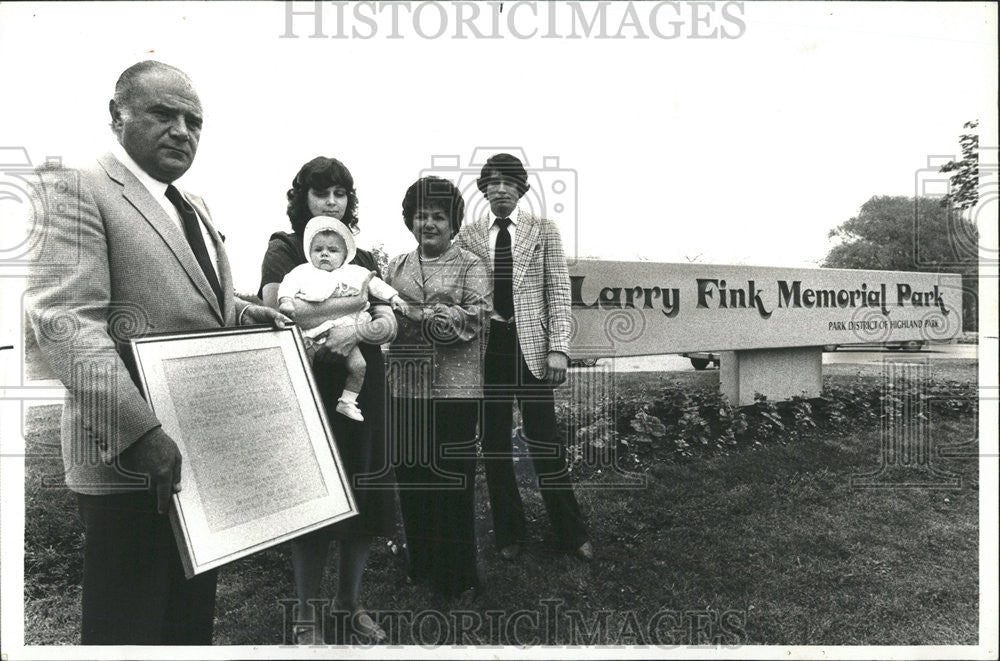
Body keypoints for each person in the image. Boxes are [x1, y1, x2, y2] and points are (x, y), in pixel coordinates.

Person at [25, 60, 288, 645]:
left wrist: (245, 312)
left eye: (193, 120)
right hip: (128, 463)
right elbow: (66, 322)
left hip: (199, 461)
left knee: (186, 626)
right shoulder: (71, 185)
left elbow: (196, 302)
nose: (182, 130)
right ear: (116, 116)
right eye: (163, 114)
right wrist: (139, 434)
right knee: (129, 629)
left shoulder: (192, 204)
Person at [259, 156, 397, 644]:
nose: (332, 202)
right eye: (322, 193)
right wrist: (342, 322)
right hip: (311, 385)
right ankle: (305, 614)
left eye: (340, 193)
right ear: (304, 199)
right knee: (313, 498)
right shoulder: (284, 250)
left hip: (362, 388)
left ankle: (349, 603)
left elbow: (388, 318)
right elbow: (280, 316)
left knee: (362, 494)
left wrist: (358, 327)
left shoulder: (362, 258)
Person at [454, 153, 593, 562]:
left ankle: (571, 532)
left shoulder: (543, 231)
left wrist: (558, 349)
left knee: (545, 440)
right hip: (488, 348)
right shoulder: (469, 236)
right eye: (491, 182)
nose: (499, 189)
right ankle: (509, 533)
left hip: (532, 349)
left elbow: (559, 291)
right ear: (482, 190)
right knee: (494, 444)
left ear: (521, 189)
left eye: (507, 182)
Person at [384, 176, 491, 599]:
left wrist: (422, 315)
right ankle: (421, 561)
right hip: (405, 387)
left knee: (452, 481)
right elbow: (382, 312)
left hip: (455, 391)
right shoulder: (395, 265)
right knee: (411, 477)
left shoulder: (471, 265)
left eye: (437, 216)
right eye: (420, 216)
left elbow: (477, 316)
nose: (428, 224)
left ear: (454, 222)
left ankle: (459, 574)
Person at [277, 215, 407, 420]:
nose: (325, 255)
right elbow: (287, 285)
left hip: (346, 330)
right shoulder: (302, 272)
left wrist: (394, 296)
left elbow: (375, 285)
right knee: (304, 371)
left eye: (332, 250)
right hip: (312, 334)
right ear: (310, 253)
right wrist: (286, 300)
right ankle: (303, 403)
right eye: (318, 250)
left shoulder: (354, 272)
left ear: (345, 255)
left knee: (359, 366)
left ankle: (347, 401)